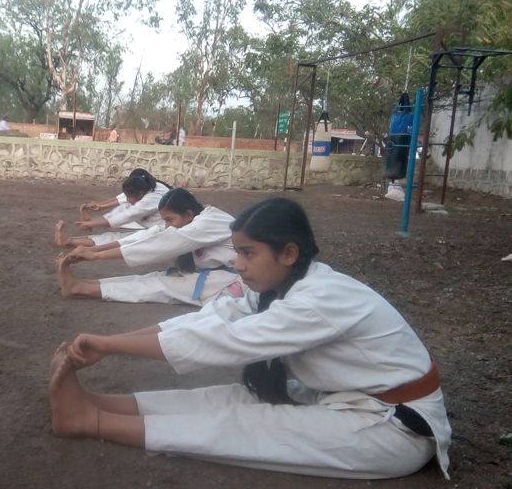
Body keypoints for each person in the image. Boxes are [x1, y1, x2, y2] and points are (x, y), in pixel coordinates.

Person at [49, 197, 451, 480]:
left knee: (248, 423)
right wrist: (106, 340)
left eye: (248, 253)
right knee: (227, 396)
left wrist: (107, 345)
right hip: (347, 398)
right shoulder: (278, 286)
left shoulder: (320, 298)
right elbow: (210, 321)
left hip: (394, 429)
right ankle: (102, 404)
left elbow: (227, 342)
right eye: (237, 252)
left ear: (289, 253)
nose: (237, 265)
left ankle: (90, 421)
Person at [56, 188, 243, 307]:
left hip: (230, 284)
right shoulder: (190, 219)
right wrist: (94, 251)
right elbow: (146, 236)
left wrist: (96, 256)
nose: (168, 225)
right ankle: (80, 284)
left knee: (158, 285)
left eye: (170, 220)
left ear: (188, 214)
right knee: (150, 278)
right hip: (213, 276)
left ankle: (78, 288)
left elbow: (159, 244)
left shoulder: (208, 222)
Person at [55, 169, 171, 247]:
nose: (127, 199)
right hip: (152, 221)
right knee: (126, 207)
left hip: (166, 230)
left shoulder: (151, 198)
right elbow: (123, 199)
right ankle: (89, 223)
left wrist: (93, 224)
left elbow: (127, 215)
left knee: (122, 239)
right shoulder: (148, 186)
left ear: (140, 193)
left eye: (130, 197)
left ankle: (69, 241)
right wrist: (100, 205)